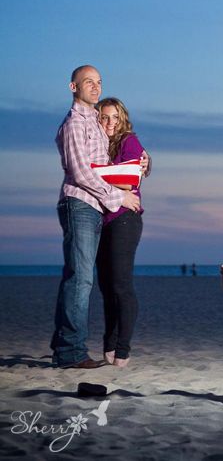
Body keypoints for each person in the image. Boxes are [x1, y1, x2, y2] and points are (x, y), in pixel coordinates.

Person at [51, 65, 142, 368]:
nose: (95, 86)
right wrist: (120, 197)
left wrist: (144, 160)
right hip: (80, 204)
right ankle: (70, 353)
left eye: (99, 82)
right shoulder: (76, 123)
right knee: (81, 279)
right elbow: (80, 173)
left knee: (82, 278)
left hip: (95, 208)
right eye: (87, 82)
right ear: (73, 87)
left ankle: (65, 345)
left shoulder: (95, 121)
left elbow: (119, 157)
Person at [96, 97, 147, 368]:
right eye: (104, 117)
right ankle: (109, 343)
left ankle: (123, 349)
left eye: (115, 117)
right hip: (101, 222)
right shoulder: (98, 145)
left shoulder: (129, 141)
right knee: (105, 287)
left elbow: (129, 182)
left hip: (125, 219)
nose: (110, 122)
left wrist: (97, 175)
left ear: (123, 118)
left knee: (121, 286)